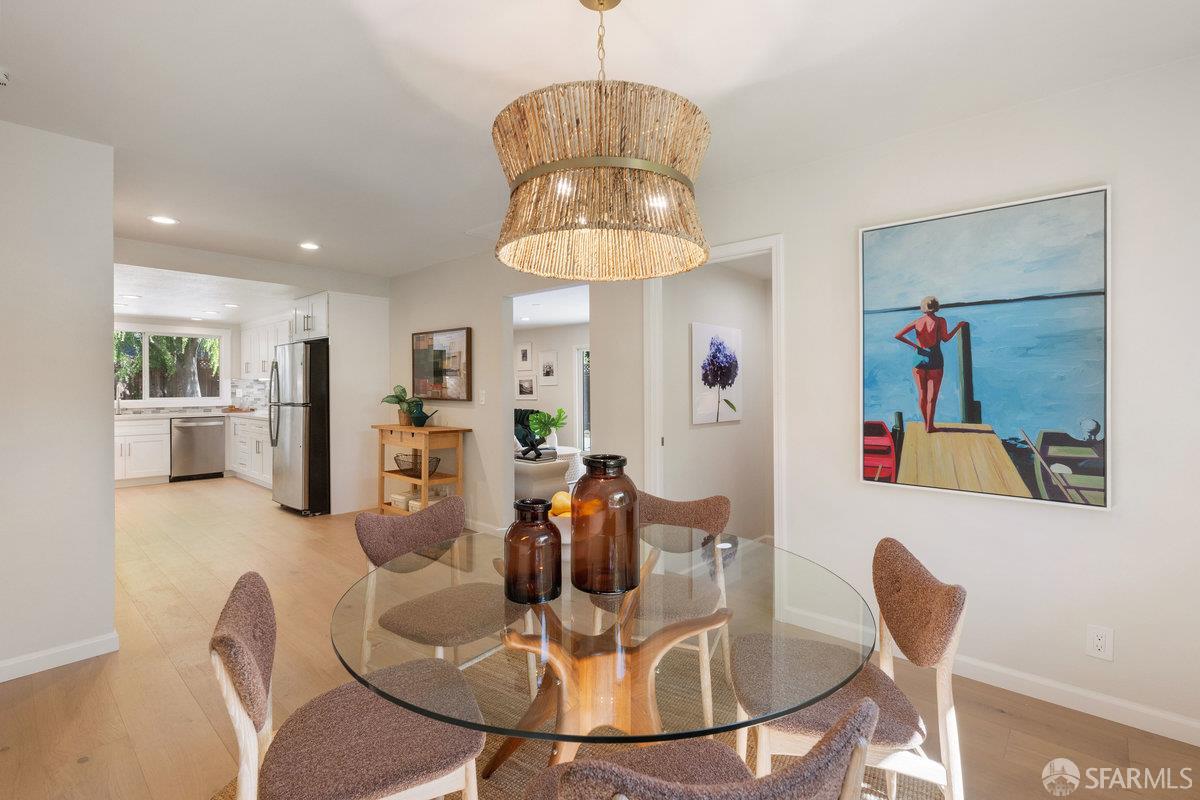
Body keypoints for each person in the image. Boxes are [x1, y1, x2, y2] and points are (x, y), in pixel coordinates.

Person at [894, 296, 967, 433]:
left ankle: (926, 423)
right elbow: (945, 339)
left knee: (922, 394)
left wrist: (915, 346)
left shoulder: (917, 322)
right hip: (935, 359)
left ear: (923, 307)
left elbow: (898, 335)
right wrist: (958, 327)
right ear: (936, 307)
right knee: (932, 397)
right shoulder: (940, 321)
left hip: (918, 359)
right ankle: (929, 426)